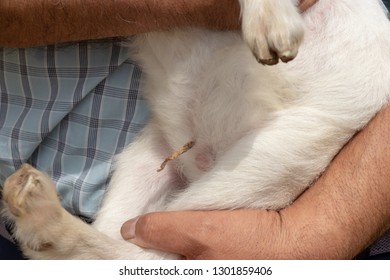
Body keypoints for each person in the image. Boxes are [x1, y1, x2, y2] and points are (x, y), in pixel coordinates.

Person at [0, 0, 389, 260]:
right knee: (143, 189)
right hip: (176, 132)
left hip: (330, 90)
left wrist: (319, 231)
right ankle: (83, 247)